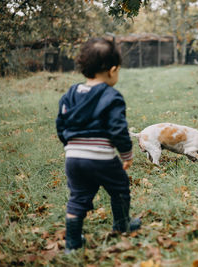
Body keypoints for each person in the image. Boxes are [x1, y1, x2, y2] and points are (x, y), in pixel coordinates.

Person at [56, 37, 141, 254]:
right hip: (101, 158)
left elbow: (61, 123)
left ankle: (73, 244)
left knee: (78, 198)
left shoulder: (70, 94)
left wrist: (70, 145)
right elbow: (117, 129)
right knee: (119, 187)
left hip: (73, 158)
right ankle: (122, 224)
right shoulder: (111, 96)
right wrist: (127, 154)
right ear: (113, 70)